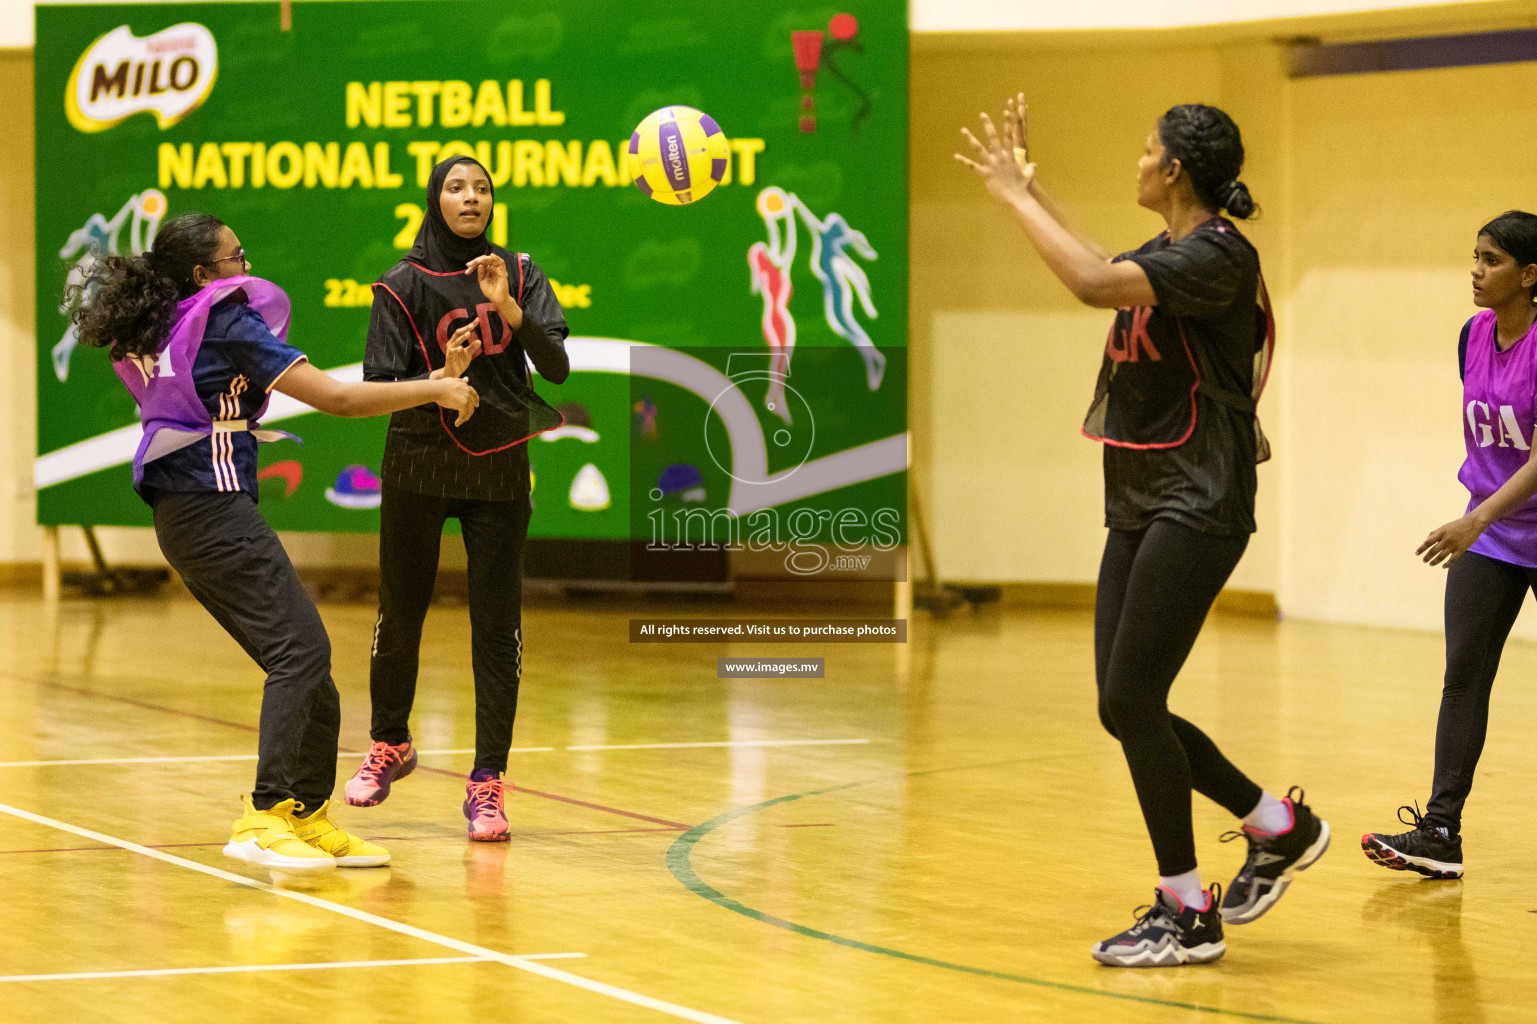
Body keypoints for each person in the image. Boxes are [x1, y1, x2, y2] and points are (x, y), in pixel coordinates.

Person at [957, 97, 1329, 967]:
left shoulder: (1217, 259)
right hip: (1141, 493)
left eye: (1145, 149)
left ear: (1173, 173)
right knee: (1120, 706)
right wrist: (1029, 189)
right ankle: (1276, 826)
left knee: (1130, 701)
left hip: (1198, 497)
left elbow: (1088, 284)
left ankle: (1186, 910)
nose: (1135, 159)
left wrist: (1014, 199)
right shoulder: (1170, 252)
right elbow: (1097, 264)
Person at [70, 212, 480, 872]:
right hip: (212, 509)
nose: (247, 267)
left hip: (186, 515)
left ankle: (306, 816)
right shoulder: (225, 319)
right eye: (237, 257)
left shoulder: (164, 320)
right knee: (300, 650)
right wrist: (437, 387)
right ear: (204, 274)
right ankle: (262, 819)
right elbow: (339, 399)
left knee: (307, 663)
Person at [344, 156, 570, 842]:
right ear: (434, 198)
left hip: (498, 466)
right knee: (400, 611)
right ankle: (390, 744)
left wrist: (508, 308)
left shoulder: (520, 273)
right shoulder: (400, 283)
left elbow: (556, 366)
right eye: (455, 187)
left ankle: (488, 783)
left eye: (481, 188)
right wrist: (441, 376)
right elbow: (379, 381)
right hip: (417, 458)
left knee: (496, 627)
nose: (470, 197)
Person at [1363, 212, 1537, 881]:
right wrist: (1483, 519)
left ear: (1527, 275)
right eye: (1473, 255)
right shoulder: (1470, 335)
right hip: (1491, 534)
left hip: (1488, 522)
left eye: (1490, 259)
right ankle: (1439, 833)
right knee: (1461, 680)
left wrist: (1477, 518)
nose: (1474, 269)